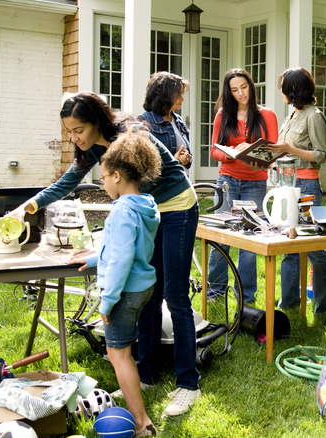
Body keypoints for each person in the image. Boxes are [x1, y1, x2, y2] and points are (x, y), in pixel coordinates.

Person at [12, 92, 201, 417]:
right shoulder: (91, 150)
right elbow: (66, 183)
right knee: (149, 294)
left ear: (96, 122)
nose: (74, 138)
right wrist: (27, 207)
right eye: (69, 131)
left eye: (79, 130)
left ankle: (188, 384)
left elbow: (147, 179)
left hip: (178, 208)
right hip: (149, 211)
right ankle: (146, 374)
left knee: (176, 295)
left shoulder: (130, 136)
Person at [67, 126, 161, 438]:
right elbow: (125, 249)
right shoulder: (145, 204)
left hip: (125, 291)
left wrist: (107, 301)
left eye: (104, 177)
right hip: (143, 285)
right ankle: (139, 413)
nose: (103, 182)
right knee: (125, 350)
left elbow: (121, 260)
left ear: (118, 175)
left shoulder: (122, 210)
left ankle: (141, 422)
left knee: (119, 355)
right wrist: (94, 259)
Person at [265, 67, 326, 314]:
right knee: (288, 247)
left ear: (293, 89)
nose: (280, 90)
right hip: (286, 184)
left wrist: (289, 149)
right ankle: (289, 302)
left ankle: (324, 306)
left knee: (314, 248)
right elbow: (286, 148)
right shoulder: (292, 115)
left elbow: (320, 155)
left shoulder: (314, 116)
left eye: (283, 86)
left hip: (306, 186)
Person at [208, 68, 278, 302]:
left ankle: (246, 296)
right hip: (227, 180)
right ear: (229, 92)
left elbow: (273, 149)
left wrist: (252, 151)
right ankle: (215, 290)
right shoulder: (222, 115)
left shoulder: (267, 114)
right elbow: (214, 150)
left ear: (251, 86)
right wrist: (232, 154)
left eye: (244, 87)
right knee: (222, 236)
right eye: (235, 90)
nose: (241, 94)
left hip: (255, 183)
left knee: (249, 239)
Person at [140, 71, 192, 170]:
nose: (182, 99)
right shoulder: (144, 121)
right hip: (160, 184)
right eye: (179, 95)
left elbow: (189, 157)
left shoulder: (179, 121)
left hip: (180, 182)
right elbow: (142, 163)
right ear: (165, 96)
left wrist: (186, 159)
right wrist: (174, 160)